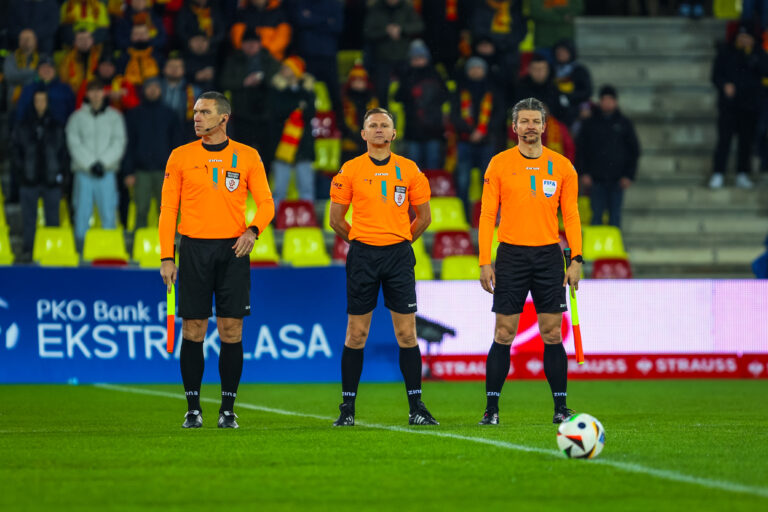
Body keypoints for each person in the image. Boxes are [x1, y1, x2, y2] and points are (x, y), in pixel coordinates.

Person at [159, 91, 275, 429]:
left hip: (233, 251)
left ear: (223, 118)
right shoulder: (180, 157)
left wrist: (253, 231)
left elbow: (266, 203)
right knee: (193, 329)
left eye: (204, 112)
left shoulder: (247, 156)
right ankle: (193, 409)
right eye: (195, 112)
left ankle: (228, 409)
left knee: (231, 330)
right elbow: (168, 211)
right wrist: (168, 256)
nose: (196, 117)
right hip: (193, 249)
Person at [328, 107, 437, 427]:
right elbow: (335, 219)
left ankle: (416, 407)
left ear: (393, 134)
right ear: (363, 134)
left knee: (406, 333)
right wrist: (364, 242)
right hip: (363, 257)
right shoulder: (349, 170)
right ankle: (347, 409)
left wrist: (399, 241)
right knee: (356, 333)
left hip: (399, 257)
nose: (378, 130)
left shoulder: (410, 170)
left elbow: (424, 218)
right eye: (372, 125)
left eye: (384, 126)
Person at [477, 97, 582, 426]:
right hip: (511, 255)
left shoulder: (562, 165)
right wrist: (484, 260)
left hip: (550, 256)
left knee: (552, 334)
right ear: (514, 127)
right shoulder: (499, 164)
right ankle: (491, 409)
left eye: (535, 121)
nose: (530, 127)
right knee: (504, 332)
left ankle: (560, 408)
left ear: (544, 126)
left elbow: (573, 216)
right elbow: (486, 215)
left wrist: (577, 258)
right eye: (524, 121)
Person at [65, 79, 127, 248]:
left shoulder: (115, 116)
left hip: (107, 173)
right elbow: (74, 143)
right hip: (84, 173)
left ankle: (108, 250)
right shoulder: (76, 117)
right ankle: (80, 251)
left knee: (108, 212)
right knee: (82, 212)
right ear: (87, 94)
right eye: (92, 91)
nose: (96, 94)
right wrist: (91, 164)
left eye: (98, 90)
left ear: (103, 93)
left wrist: (103, 163)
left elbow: (119, 142)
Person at [11, 88, 66, 258]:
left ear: (47, 102)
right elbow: (15, 152)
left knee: (52, 219)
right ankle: (29, 250)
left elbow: (63, 154)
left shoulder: (56, 126)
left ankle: (52, 250)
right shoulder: (22, 125)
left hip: (51, 180)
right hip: (29, 180)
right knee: (29, 220)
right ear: (32, 103)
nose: (40, 104)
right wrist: (22, 174)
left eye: (43, 100)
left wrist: (60, 176)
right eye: (37, 100)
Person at [576, 85, 639, 228]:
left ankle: (614, 247)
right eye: (605, 100)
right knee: (596, 215)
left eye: (611, 100)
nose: (607, 103)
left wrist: (629, 175)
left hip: (617, 179)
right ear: (600, 101)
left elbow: (634, 151)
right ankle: (596, 248)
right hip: (596, 179)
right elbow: (581, 150)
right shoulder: (590, 124)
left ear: (616, 102)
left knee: (615, 216)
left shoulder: (624, 124)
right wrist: (584, 172)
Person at [123, 77, 182, 229]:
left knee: (169, 211)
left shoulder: (170, 114)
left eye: (156, 86)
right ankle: (140, 246)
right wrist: (128, 171)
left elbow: (177, 145)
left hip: (166, 172)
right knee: (141, 209)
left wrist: (178, 171)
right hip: (141, 171)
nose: (153, 90)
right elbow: (129, 144)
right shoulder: (134, 114)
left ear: (161, 89)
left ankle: (173, 246)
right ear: (144, 90)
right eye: (149, 87)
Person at [394, 39, 449, 170]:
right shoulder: (405, 76)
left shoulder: (436, 75)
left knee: (433, 165)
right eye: (415, 57)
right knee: (413, 167)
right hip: (413, 130)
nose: (418, 60)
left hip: (433, 130)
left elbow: (444, 98)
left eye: (421, 57)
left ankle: (432, 191)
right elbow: (398, 98)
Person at [269, 56, 316, 206]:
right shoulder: (276, 90)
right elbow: (276, 111)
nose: (283, 70)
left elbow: (310, 113)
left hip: (303, 144)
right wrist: (297, 105)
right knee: (279, 188)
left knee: (306, 187)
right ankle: (275, 219)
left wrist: (292, 106)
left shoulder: (308, 91)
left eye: (287, 68)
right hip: (282, 144)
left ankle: (308, 218)